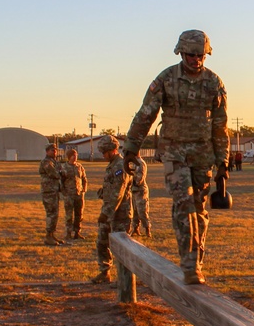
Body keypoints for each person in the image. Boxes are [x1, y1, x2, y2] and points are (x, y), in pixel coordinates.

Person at [123, 29, 230, 285]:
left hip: (203, 153)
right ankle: (190, 264)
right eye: (191, 55)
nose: (196, 59)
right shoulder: (166, 79)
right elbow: (145, 114)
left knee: (199, 209)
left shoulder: (214, 82)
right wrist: (131, 147)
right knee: (183, 203)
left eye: (201, 55)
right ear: (181, 52)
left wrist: (223, 161)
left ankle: (197, 259)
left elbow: (220, 125)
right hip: (174, 151)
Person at [91, 135, 132, 284]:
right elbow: (112, 188)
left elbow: (118, 193)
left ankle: (125, 280)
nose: (103, 156)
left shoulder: (121, 166)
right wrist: (103, 191)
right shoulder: (112, 165)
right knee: (102, 242)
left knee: (122, 247)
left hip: (119, 214)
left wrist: (106, 213)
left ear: (113, 150)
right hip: (109, 212)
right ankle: (104, 272)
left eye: (104, 152)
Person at [38, 143, 65, 245]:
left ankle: (52, 235)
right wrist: (61, 173)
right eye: (52, 150)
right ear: (47, 151)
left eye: (55, 150)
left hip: (54, 190)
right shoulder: (46, 162)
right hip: (48, 191)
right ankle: (48, 236)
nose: (54, 152)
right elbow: (55, 173)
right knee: (51, 214)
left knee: (55, 214)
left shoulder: (55, 162)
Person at [60, 148, 88, 240]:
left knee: (79, 214)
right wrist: (64, 193)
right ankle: (68, 233)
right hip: (69, 194)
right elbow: (61, 182)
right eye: (73, 155)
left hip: (79, 194)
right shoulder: (64, 167)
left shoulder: (79, 167)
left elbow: (84, 179)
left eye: (76, 155)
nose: (75, 157)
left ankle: (77, 232)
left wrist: (84, 190)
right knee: (69, 215)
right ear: (69, 157)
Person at [129, 154, 152, 238]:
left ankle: (147, 229)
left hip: (140, 190)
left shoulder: (141, 163)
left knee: (142, 211)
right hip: (134, 190)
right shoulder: (134, 163)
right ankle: (135, 228)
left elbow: (139, 179)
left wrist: (131, 175)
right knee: (134, 211)